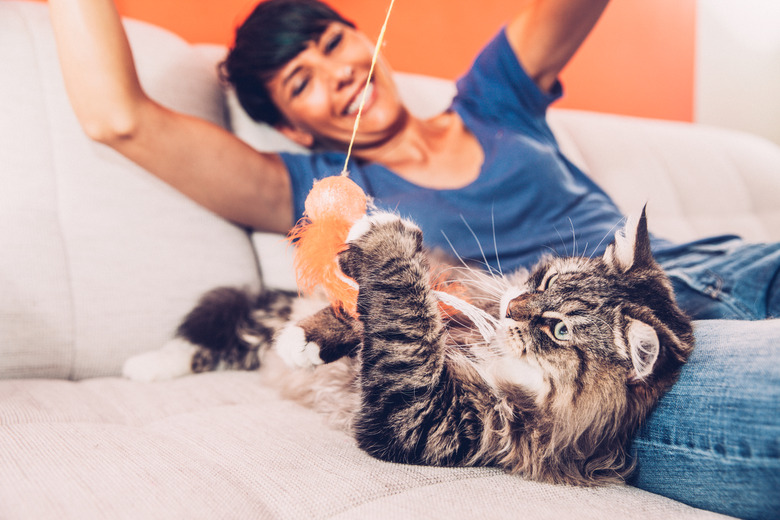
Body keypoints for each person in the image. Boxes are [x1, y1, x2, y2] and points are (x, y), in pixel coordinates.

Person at [49, 0, 779, 517]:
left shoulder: (491, 99)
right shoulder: (317, 187)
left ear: (366, 39)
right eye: (300, 82)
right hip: (610, 358)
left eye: (333, 43)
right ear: (291, 127)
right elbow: (118, 117)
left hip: (701, 268)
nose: (334, 74)